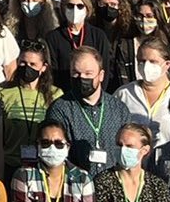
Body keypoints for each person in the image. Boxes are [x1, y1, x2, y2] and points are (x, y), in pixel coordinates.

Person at [46, 46, 126, 174]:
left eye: (88, 74)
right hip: (75, 185)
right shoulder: (60, 109)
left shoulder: (119, 109)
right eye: (76, 73)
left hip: (112, 184)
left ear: (101, 75)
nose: (81, 78)